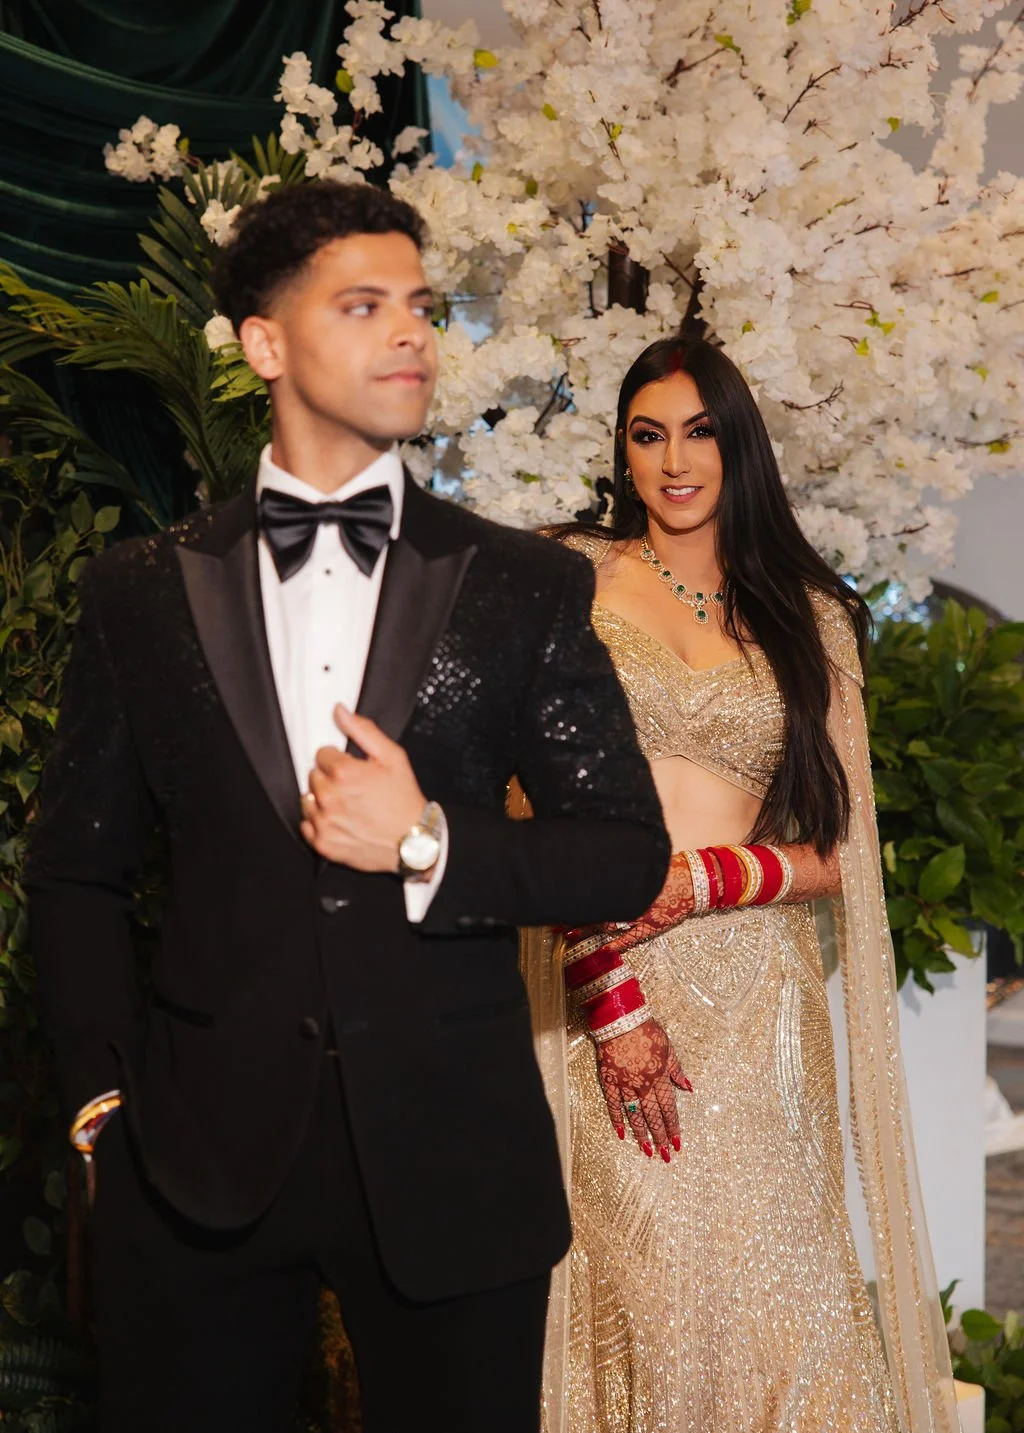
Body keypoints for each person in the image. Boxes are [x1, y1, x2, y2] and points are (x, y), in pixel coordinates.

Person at [25, 180, 671, 1433]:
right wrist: (101, 1107)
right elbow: (76, 869)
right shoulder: (137, 590)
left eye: (419, 305)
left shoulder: (522, 583)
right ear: (265, 342)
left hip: (455, 1160)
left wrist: (429, 840)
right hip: (195, 1172)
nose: (411, 332)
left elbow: (624, 852)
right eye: (363, 305)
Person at [525, 336, 960, 1432]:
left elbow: (837, 853)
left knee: (789, 1310)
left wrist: (704, 876)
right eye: (648, 434)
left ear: (741, 445)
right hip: (615, 984)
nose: (675, 461)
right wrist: (607, 989)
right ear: (622, 451)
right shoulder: (568, 580)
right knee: (655, 1303)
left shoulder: (808, 616)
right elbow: (526, 812)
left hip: (762, 1006)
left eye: (701, 432)